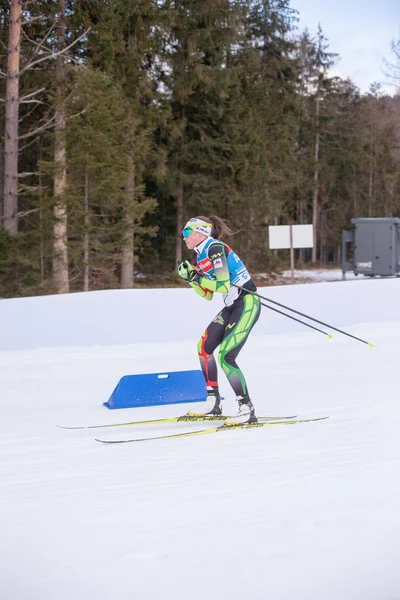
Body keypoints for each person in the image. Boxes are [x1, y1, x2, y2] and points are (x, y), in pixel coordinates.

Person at [178, 215, 261, 424]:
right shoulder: (201, 256)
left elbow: (223, 286)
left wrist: (196, 277)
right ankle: (213, 401)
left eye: (186, 232)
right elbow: (207, 294)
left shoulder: (215, 249)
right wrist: (191, 280)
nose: (184, 237)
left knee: (226, 356)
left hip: (247, 302)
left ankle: (246, 408)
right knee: (204, 347)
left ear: (200, 232)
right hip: (232, 305)